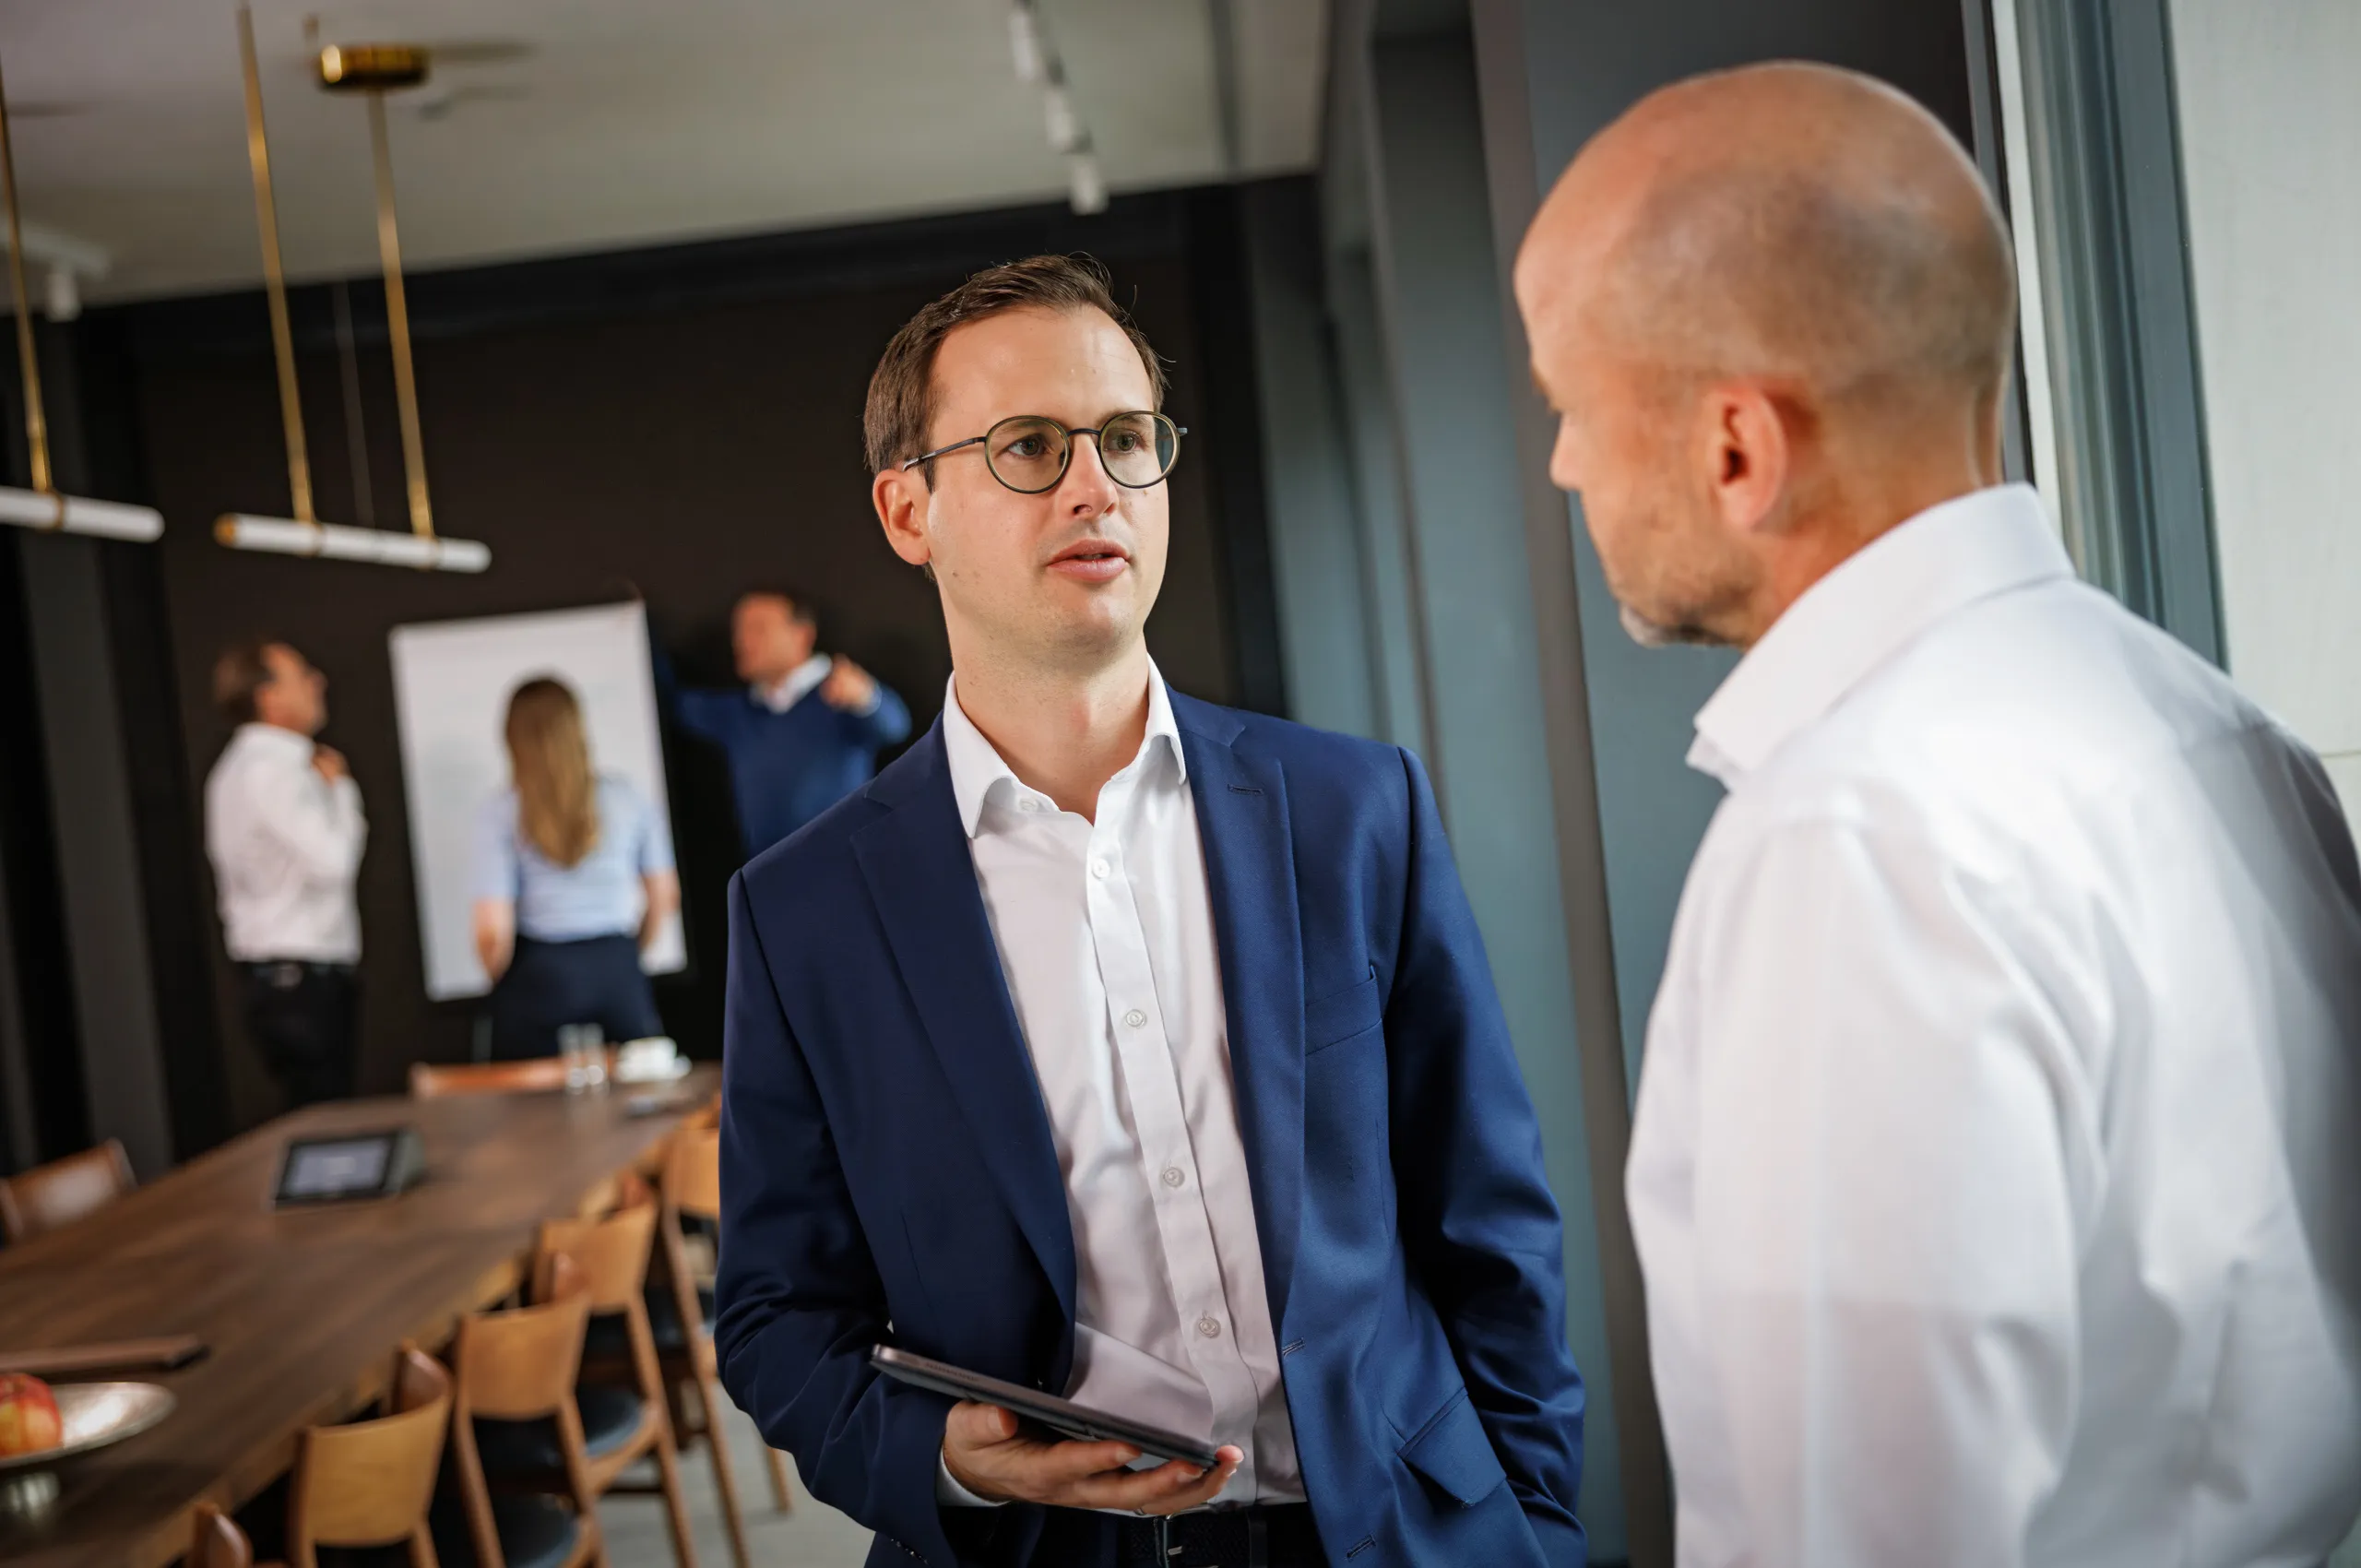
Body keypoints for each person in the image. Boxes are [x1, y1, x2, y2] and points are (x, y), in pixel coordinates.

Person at [1514, 61, 2361, 1568]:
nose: (1566, 461)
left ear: (1737, 452)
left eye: (1573, 408)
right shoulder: (2232, 740)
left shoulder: (1856, 838)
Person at [714, 255, 1586, 1568]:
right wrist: (941, 1459)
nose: (1094, 485)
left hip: (1402, 1533)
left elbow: (1491, 1222)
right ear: (910, 511)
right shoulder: (805, 912)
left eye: (1126, 440)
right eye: (1028, 447)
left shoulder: (1355, 809)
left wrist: (1540, 1523)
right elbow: (776, 1316)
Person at [471, 677, 680, 1061]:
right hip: (616, 967)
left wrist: (504, 982)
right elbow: (665, 895)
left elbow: (492, 933)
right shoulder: (626, 796)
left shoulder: (500, 811)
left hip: (540, 973)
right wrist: (630, 954)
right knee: (643, 1100)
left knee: (527, 1111)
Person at [204, 638, 365, 1108]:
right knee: (326, 1130)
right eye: (302, 675)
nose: (320, 681)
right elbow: (334, 862)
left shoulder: (240, 768)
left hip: (280, 979)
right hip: (300, 983)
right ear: (268, 698)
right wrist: (342, 792)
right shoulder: (275, 772)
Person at [671, 588, 912, 858]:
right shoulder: (736, 712)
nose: (741, 641)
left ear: (802, 634)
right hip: (768, 876)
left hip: (845, 871)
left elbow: (895, 726)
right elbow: (669, 701)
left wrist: (867, 696)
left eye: (758, 629)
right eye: (738, 630)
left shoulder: (839, 694)